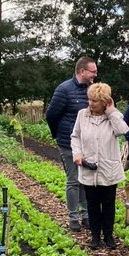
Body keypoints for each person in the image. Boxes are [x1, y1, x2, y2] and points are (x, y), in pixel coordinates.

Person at [70, 82, 129, 251]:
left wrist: (111, 112)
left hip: (108, 169)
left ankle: (108, 236)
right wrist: (78, 155)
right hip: (89, 168)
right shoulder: (82, 115)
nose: (91, 103)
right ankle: (95, 236)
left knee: (109, 204)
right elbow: (75, 136)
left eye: (96, 101)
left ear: (105, 101)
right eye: (90, 100)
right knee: (92, 204)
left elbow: (123, 131)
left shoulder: (113, 116)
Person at [46, 57, 99, 231]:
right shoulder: (64, 90)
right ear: (82, 71)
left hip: (87, 144)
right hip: (68, 143)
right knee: (73, 180)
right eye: (93, 71)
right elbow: (51, 115)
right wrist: (60, 135)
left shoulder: (92, 90)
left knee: (85, 180)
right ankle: (73, 216)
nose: (95, 74)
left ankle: (86, 215)